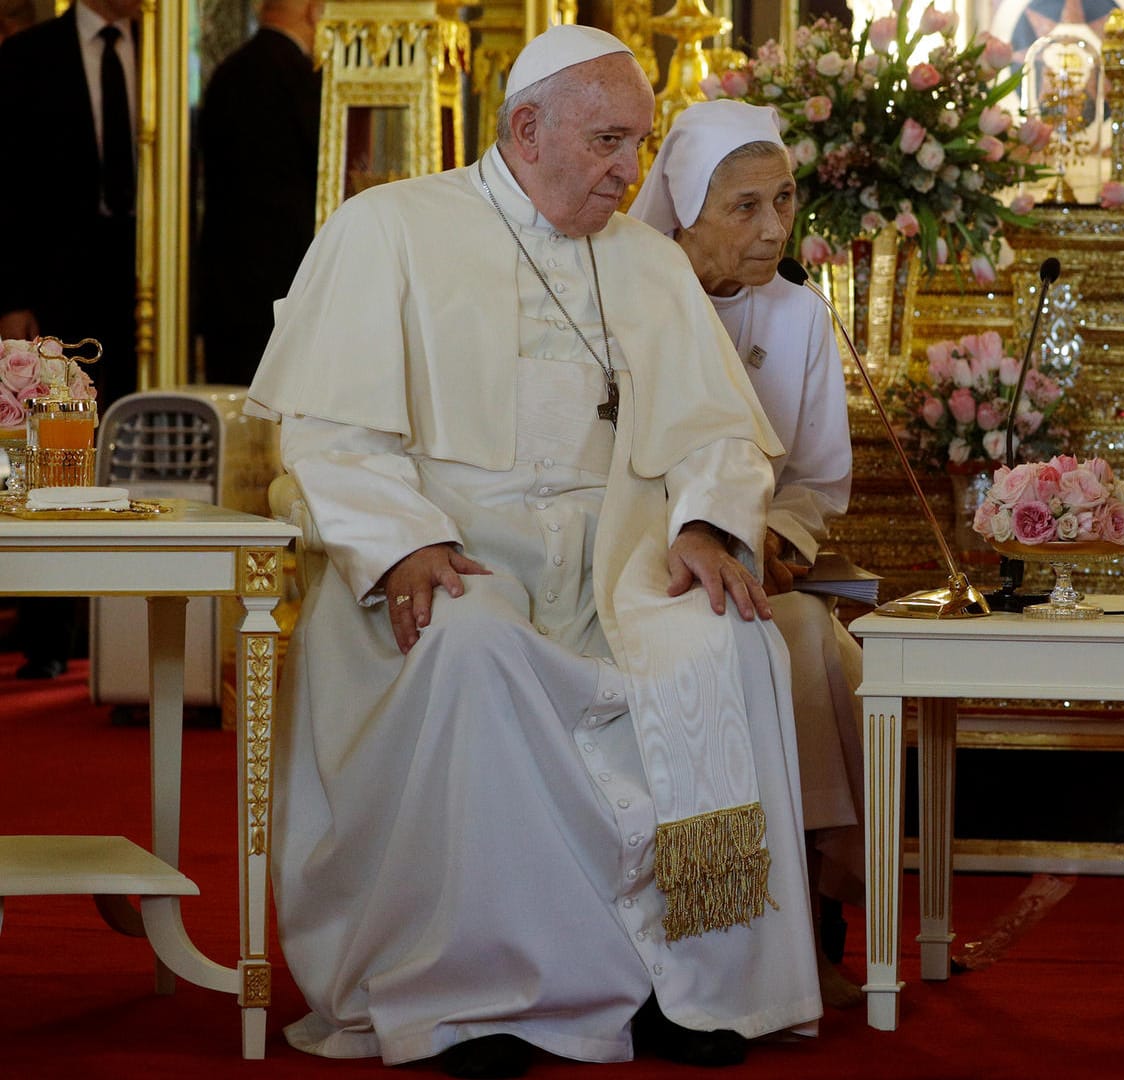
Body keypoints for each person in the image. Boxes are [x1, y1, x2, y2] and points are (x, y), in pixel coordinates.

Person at [246, 25, 820, 1078]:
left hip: (619, 567)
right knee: (472, 653)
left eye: (638, 146)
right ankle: (480, 998)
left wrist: (703, 523)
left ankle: (683, 987)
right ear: (526, 128)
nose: (627, 172)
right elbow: (326, 434)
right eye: (607, 142)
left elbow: (720, 433)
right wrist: (405, 537)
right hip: (455, 555)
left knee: (732, 641)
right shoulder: (390, 230)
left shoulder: (646, 263)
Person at [629, 99, 866, 1009]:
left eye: (786, 200)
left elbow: (815, 480)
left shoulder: (801, 319)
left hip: (755, 573)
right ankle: (712, 933)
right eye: (746, 207)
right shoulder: (631, 301)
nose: (775, 228)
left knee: (811, 644)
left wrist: (768, 535)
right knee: (768, 641)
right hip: (639, 570)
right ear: (686, 210)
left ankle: (808, 906)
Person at [0, 0, 141, 679]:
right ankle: (50, 631)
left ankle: (129, 630)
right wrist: (12, 298)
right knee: (51, 452)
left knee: (133, 444)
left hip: (150, 279)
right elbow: (5, 186)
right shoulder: (30, 56)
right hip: (55, 289)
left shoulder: (166, 61)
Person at [195, 0, 324, 385]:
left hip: (225, 280)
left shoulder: (228, 72)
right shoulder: (300, 77)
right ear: (313, 10)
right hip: (288, 278)